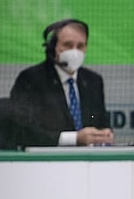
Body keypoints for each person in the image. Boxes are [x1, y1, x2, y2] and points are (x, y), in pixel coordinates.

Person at [10, 18, 113, 147]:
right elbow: (25, 131)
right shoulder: (31, 79)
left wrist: (104, 134)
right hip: (47, 161)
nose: (75, 52)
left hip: (88, 161)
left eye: (80, 46)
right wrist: (74, 138)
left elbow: (101, 123)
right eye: (68, 45)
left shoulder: (93, 81)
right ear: (53, 47)